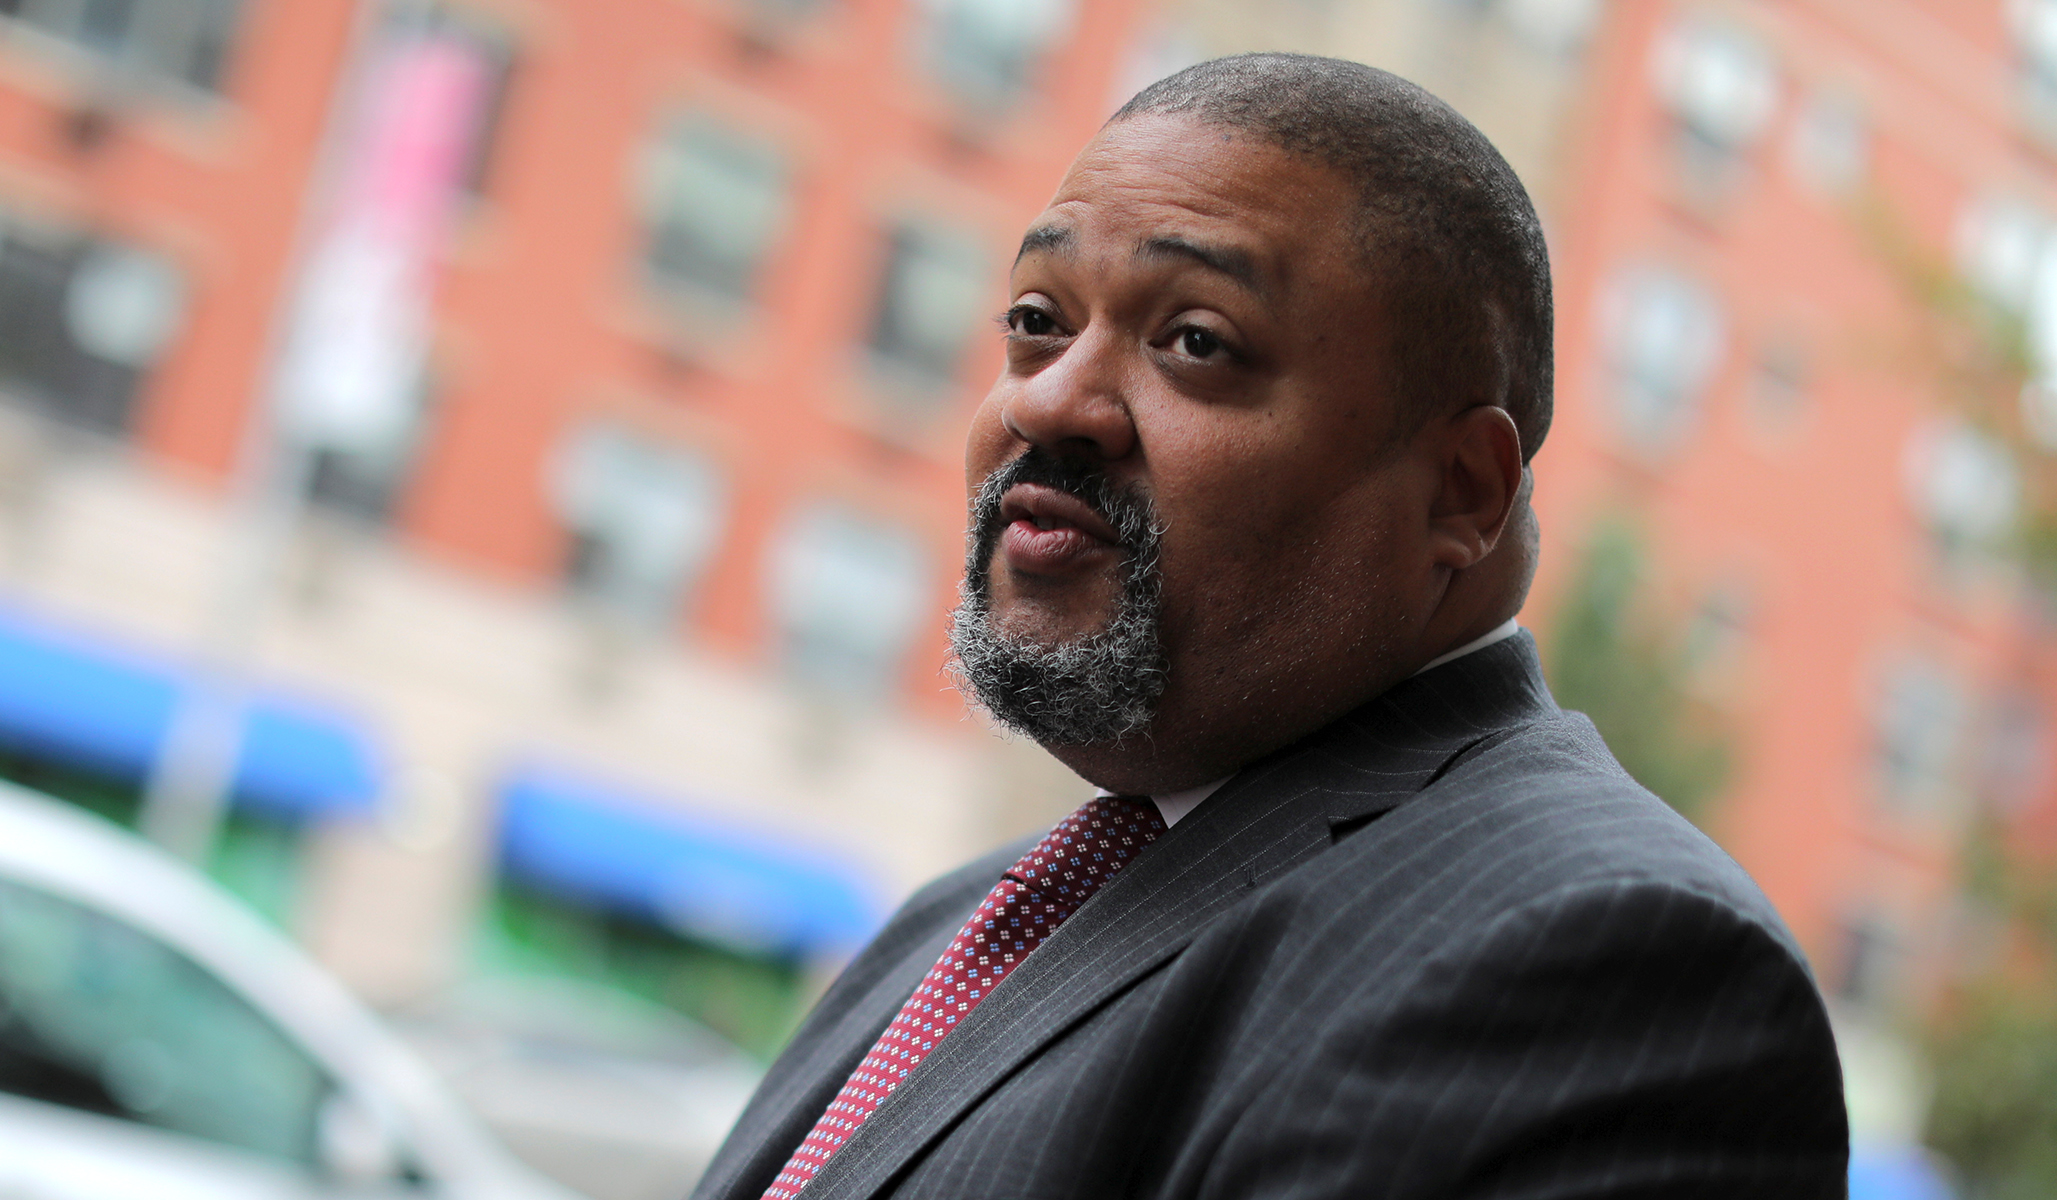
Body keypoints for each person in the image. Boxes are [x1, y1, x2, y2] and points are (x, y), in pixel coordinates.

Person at [692, 53, 1847, 1200]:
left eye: (1195, 341)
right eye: (1037, 321)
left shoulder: (1598, 962)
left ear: (1459, 492)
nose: (1047, 401)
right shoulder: (955, 923)